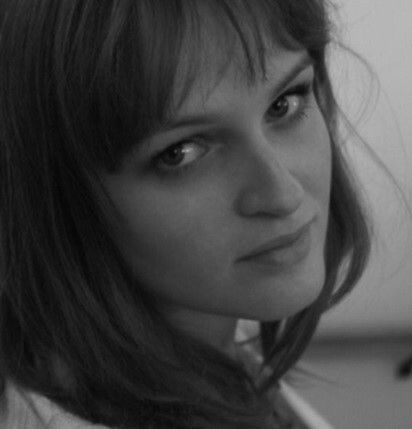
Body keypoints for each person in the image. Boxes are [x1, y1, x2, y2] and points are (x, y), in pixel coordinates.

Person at [0, 0, 372, 428]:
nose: (283, 194)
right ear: (48, 198)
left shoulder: (216, 350)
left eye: (284, 105)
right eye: (181, 153)